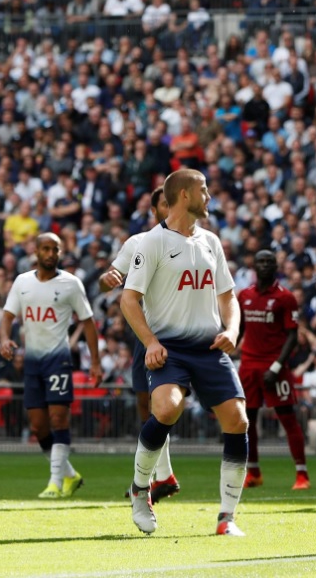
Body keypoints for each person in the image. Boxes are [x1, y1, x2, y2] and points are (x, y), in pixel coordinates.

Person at [122, 169, 248, 536]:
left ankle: (227, 519)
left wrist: (232, 329)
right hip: (170, 348)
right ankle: (139, 490)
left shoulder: (211, 241)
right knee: (166, 407)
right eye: (203, 190)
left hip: (209, 346)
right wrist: (151, 342)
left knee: (238, 420)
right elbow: (129, 300)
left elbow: (228, 296)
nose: (209, 197)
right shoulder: (152, 242)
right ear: (183, 196)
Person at [0, 232, 102, 498]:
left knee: (58, 418)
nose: (50, 254)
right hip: (32, 363)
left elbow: (88, 322)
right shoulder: (22, 282)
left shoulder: (71, 284)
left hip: (59, 360)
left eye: (54, 249)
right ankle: (69, 475)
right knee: (38, 426)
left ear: (59, 252)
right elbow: (8, 315)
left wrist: (95, 363)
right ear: (36, 251)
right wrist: (3, 339)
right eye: (45, 249)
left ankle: (55, 483)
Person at [99, 188, 180, 503]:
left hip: (175, 334)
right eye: (164, 203)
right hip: (145, 335)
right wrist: (112, 276)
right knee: (147, 408)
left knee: (162, 406)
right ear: (155, 211)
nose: (170, 207)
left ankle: (156, 479)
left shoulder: (195, 242)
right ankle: (164, 476)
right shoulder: (138, 242)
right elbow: (117, 271)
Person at [237, 250, 308, 490]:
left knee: (287, 418)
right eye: (261, 261)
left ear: (276, 266)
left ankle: (302, 474)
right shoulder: (244, 295)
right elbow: (239, 330)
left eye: (269, 261)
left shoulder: (285, 297)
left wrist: (277, 366)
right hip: (248, 365)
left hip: (274, 365)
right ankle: (254, 472)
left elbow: (292, 336)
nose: (265, 265)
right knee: (247, 420)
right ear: (254, 266)